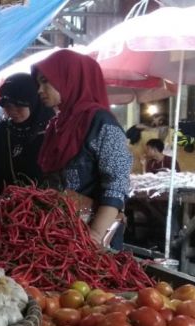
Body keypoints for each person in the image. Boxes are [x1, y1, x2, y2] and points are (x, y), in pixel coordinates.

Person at [32, 49, 132, 249]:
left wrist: (93, 236)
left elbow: (117, 183)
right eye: (39, 83)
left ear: (70, 79)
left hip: (93, 238)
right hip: (61, 232)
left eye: (46, 81)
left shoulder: (101, 123)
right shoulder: (56, 125)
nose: (39, 90)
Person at [0, 74, 55, 196]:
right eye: (8, 106)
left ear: (33, 102)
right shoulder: (2, 130)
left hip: (42, 209)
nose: (13, 111)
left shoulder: (52, 131)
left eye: (19, 105)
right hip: (1, 208)